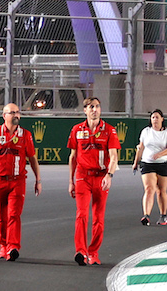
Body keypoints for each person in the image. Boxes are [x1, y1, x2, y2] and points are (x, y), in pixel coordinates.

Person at [0, 102, 42, 262]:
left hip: (18, 181)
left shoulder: (26, 135)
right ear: (4, 116)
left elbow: (32, 158)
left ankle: (13, 247)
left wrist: (38, 179)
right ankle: (3, 245)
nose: (16, 115)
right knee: (1, 214)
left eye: (17, 112)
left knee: (14, 214)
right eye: (12, 113)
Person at [67, 96, 119, 266]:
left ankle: (93, 252)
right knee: (81, 214)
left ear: (100, 109)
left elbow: (113, 156)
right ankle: (80, 251)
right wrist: (71, 181)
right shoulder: (76, 130)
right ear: (85, 110)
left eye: (97, 106)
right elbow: (73, 156)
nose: (94, 110)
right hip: (83, 176)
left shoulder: (109, 130)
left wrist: (109, 175)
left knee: (98, 217)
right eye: (90, 107)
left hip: (101, 177)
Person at [131, 109, 167, 226]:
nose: (155, 119)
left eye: (157, 117)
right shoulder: (146, 132)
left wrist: (160, 154)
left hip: (163, 163)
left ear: (162, 119)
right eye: (153, 117)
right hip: (147, 163)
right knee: (149, 189)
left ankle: (163, 215)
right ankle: (146, 215)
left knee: (161, 191)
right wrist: (136, 162)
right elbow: (140, 147)